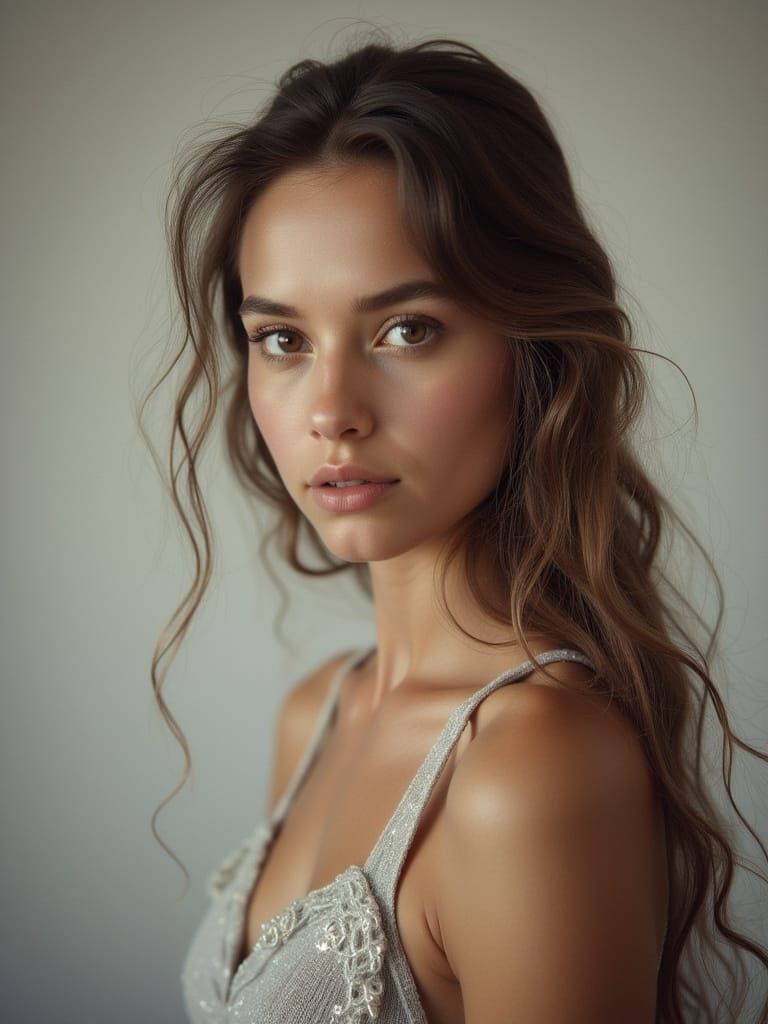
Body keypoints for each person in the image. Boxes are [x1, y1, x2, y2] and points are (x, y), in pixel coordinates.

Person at [141, 32, 768, 1024]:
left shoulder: (532, 767)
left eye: (406, 329)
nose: (331, 408)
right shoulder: (317, 712)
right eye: (283, 339)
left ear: (534, 348)